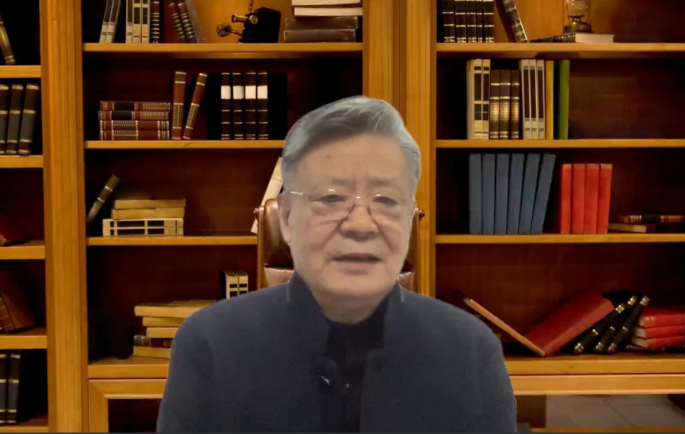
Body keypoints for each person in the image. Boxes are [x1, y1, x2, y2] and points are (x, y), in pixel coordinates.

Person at [157, 96, 516, 432]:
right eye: (331, 198)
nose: (361, 224)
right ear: (286, 218)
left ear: (410, 218)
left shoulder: (470, 352)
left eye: (386, 200)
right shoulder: (212, 346)